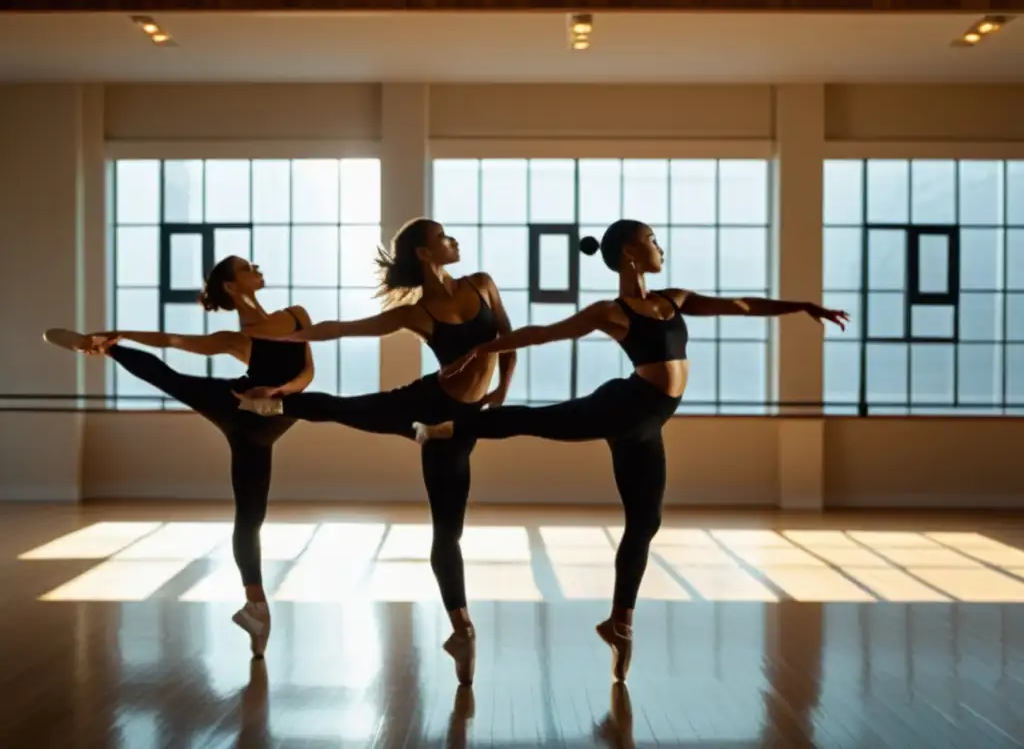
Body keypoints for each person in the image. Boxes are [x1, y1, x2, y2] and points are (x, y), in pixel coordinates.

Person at [413, 218, 849, 682]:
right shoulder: (612, 312)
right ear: (630, 254)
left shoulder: (674, 299)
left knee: (646, 521)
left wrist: (802, 306)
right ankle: (447, 427)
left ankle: (620, 624)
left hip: (646, 425)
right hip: (623, 407)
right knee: (539, 420)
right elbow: (545, 332)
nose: (661, 247)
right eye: (652, 241)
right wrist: (482, 351)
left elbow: (741, 305)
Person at [234, 217, 517, 686]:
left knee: (449, 531)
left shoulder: (483, 285)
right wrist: (287, 338)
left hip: (460, 424)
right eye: (444, 237)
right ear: (425, 254)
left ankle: (460, 631)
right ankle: (274, 402)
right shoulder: (418, 312)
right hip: (428, 403)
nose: (454, 241)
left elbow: (507, 339)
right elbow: (346, 329)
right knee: (349, 409)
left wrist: (502, 390)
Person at [43, 256, 314, 659]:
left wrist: (279, 393)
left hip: (273, 415)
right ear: (230, 286)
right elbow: (171, 341)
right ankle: (257, 606)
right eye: (244, 266)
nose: (257, 266)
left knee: (253, 512)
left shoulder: (296, 315)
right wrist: (122, 334)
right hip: (236, 409)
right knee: (247, 513)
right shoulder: (233, 338)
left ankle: (254, 611)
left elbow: (308, 372)